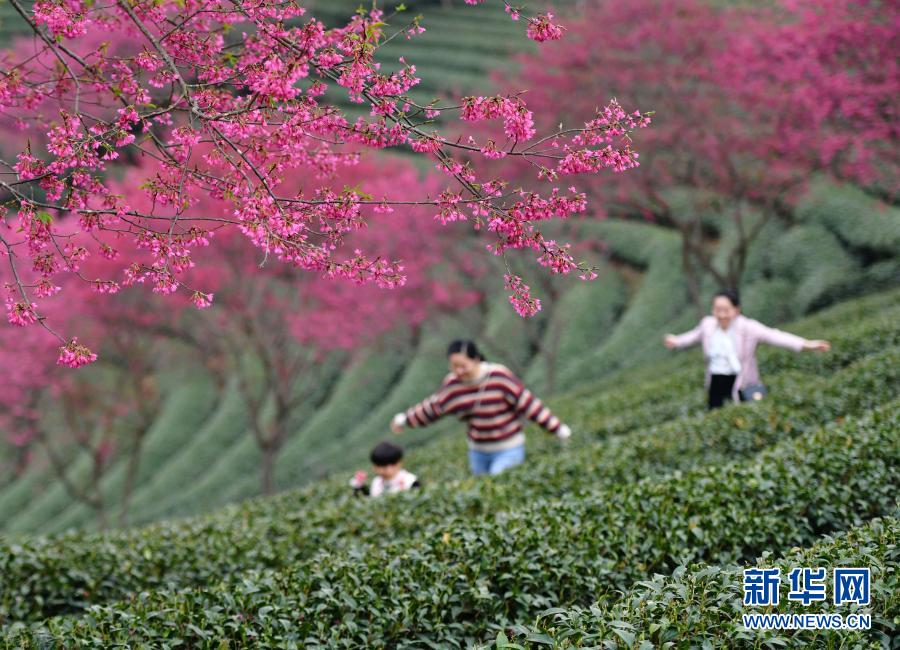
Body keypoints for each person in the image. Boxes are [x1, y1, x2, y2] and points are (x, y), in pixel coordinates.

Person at [391, 339, 572, 476]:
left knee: (498, 481)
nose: (459, 371)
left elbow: (529, 404)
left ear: (476, 359)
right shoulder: (453, 385)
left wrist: (557, 428)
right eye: (454, 366)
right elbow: (434, 408)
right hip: (478, 451)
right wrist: (405, 419)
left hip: (509, 447)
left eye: (463, 366)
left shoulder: (498, 377)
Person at [663, 288, 831, 409]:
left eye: (725, 310)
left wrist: (806, 344)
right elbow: (692, 336)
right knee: (715, 411)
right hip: (715, 378)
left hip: (740, 379)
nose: (721, 314)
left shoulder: (748, 328)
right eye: (717, 310)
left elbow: (776, 336)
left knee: (743, 411)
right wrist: (676, 341)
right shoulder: (708, 325)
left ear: (736, 310)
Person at [350, 441, 420, 497]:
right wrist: (360, 486)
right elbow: (370, 501)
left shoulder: (410, 481)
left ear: (398, 463)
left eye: (385, 465)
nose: (381, 470)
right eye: (378, 465)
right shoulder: (376, 482)